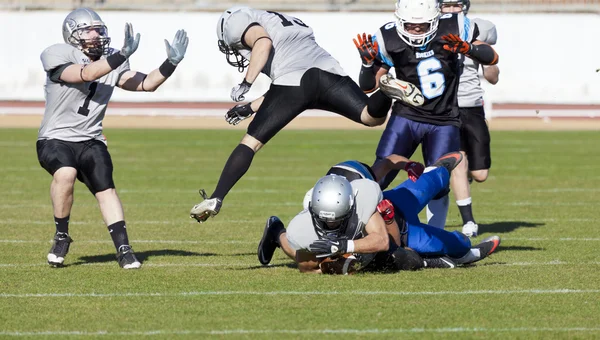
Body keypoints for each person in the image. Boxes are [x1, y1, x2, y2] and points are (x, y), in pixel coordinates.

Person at [189, 6, 396, 223]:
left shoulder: (234, 21)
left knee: (250, 143)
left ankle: (216, 197)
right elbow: (286, 86)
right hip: (325, 73)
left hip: (294, 82)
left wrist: (246, 82)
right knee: (370, 116)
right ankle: (385, 88)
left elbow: (263, 44)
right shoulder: (283, 19)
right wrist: (250, 107)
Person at [37, 8, 188, 269]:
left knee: (106, 189)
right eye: (89, 30)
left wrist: (170, 64)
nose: (96, 35)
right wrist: (119, 56)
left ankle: (124, 249)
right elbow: (85, 74)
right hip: (55, 138)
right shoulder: (57, 53)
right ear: (73, 35)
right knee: (65, 173)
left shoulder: (113, 60)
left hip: (91, 139)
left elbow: (146, 84)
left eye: (99, 29)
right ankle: (62, 236)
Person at [354, 0, 499, 229]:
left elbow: (492, 57)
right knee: (382, 169)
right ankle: (356, 223)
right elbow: (368, 86)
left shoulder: (453, 26)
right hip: (406, 115)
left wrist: (469, 49)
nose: (416, 30)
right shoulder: (387, 37)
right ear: (400, 20)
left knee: (438, 183)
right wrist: (366, 64)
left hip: (444, 119)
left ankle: (436, 234)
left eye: (422, 25)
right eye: (411, 25)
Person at [257, 152, 501, 274]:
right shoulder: (310, 218)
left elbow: (384, 239)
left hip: (395, 214)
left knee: (427, 182)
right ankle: (464, 248)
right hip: (404, 237)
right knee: (442, 246)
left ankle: (442, 170)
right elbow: (308, 265)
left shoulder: (364, 195)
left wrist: (345, 245)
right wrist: (335, 263)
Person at [439, 0, 500, 237]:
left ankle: (465, 177)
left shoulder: (477, 30)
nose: (452, 11)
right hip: (446, 108)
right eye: (447, 6)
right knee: (458, 162)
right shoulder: (431, 33)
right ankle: (469, 222)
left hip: (473, 107)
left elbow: (492, 77)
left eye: (457, 6)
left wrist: (488, 57)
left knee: (480, 174)